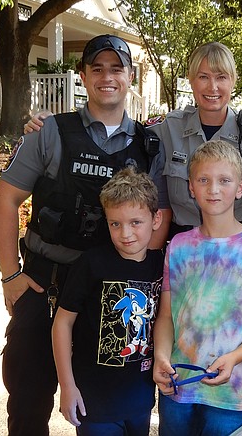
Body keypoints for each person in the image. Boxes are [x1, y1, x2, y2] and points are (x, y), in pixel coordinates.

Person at [0, 34, 169, 435]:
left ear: (131, 77)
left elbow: (159, 215)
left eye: (117, 68)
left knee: (100, 406)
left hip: (111, 295)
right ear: (84, 76)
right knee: (28, 398)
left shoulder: (149, 145)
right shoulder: (49, 132)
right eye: (97, 68)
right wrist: (9, 275)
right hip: (44, 285)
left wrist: (141, 283)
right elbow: (5, 200)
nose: (107, 77)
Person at [25, 42, 242, 238]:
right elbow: (117, 129)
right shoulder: (169, 129)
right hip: (182, 248)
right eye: (203, 77)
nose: (212, 87)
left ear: (233, 81)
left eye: (221, 77)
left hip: (240, 246)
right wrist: (53, 122)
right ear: (190, 80)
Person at [152, 140, 242, 435]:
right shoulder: (178, 246)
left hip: (230, 396)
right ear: (190, 187)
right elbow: (166, 317)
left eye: (224, 180)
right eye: (203, 180)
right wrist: (161, 356)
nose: (213, 189)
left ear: (240, 187)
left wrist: (234, 357)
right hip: (177, 388)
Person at [52, 167, 164, 435]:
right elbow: (62, 324)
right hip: (95, 403)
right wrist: (67, 386)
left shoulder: (163, 265)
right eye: (116, 223)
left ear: (156, 219)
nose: (125, 233)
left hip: (140, 401)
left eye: (136, 222)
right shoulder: (91, 264)